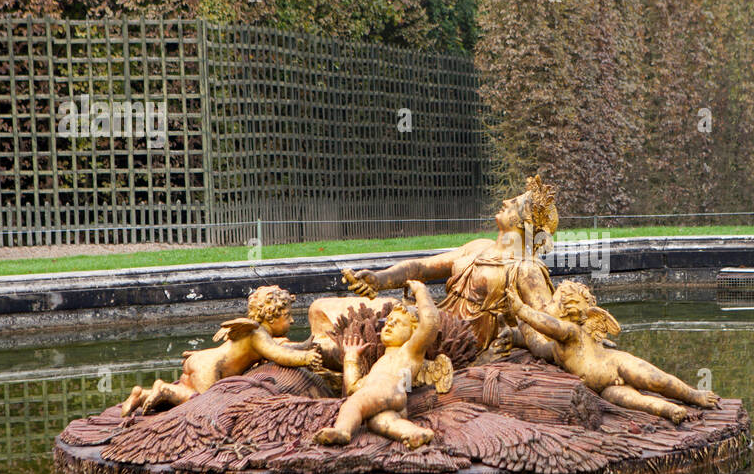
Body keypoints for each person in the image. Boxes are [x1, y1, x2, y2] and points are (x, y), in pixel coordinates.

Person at [308, 175, 561, 360]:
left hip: (452, 341)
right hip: (433, 318)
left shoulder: (526, 269)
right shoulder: (479, 247)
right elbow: (421, 269)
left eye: (515, 202)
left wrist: (517, 336)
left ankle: (314, 354)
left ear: (525, 221)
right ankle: (315, 350)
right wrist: (379, 279)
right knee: (318, 308)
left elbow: (547, 327)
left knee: (347, 337)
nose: (506, 200)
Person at [505, 280, 719, 424]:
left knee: (656, 380)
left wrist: (522, 310)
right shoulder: (556, 348)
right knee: (633, 401)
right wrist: (516, 335)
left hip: (615, 365)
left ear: (566, 310)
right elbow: (536, 346)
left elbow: (549, 325)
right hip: (603, 388)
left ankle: (693, 395)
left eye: (552, 302)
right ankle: (667, 409)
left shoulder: (572, 333)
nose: (547, 306)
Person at [120, 284, 322, 417]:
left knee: (187, 395)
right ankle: (165, 389)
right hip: (211, 368)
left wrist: (305, 345)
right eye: (287, 315)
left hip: (202, 360)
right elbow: (280, 355)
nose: (292, 320)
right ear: (271, 316)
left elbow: (281, 348)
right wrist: (306, 357)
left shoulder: (260, 334)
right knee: (207, 405)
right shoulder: (257, 334)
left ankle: (141, 395)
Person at [312, 280, 439, 448]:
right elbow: (353, 388)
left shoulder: (408, 351)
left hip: (390, 390)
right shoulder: (381, 364)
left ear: (414, 332)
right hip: (392, 398)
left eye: (398, 323)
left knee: (354, 403)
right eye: (388, 321)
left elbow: (430, 325)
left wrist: (421, 292)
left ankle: (342, 430)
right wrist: (351, 357)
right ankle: (414, 433)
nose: (389, 324)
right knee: (380, 422)